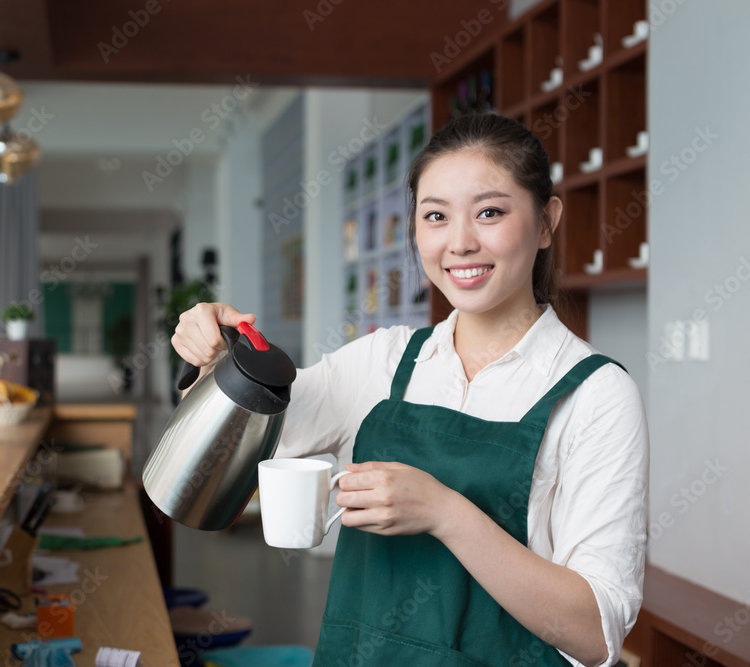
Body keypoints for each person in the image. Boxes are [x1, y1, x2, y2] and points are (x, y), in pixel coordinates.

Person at [172, 113, 648, 667]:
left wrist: (446, 513)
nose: (461, 243)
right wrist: (215, 362)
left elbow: (596, 633)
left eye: (490, 212)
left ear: (546, 222)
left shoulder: (597, 395)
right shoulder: (383, 360)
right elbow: (224, 448)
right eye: (436, 217)